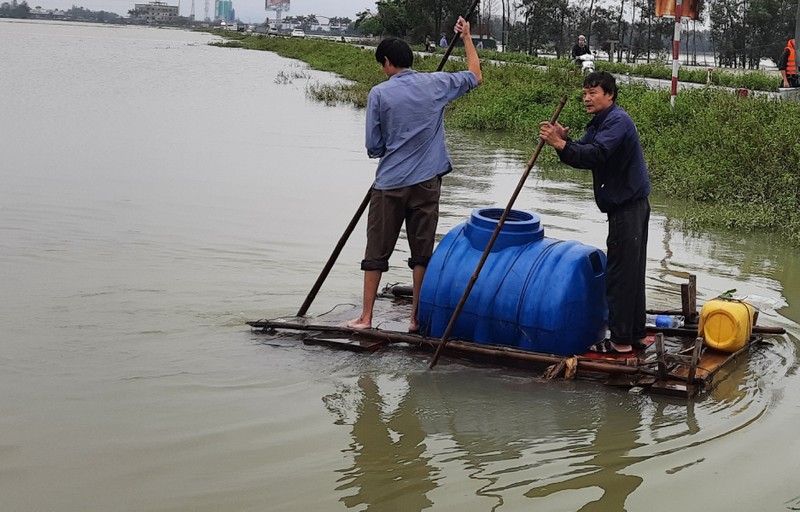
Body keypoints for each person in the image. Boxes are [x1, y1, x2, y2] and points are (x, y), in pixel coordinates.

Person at [347, 17, 483, 332]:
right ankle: (415, 318)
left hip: (390, 184)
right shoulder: (436, 83)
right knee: (422, 252)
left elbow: (374, 146)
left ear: (387, 62)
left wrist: (390, 146)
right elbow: (476, 76)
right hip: (427, 183)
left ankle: (365, 318)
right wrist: (466, 38)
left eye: (382, 65)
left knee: (377, 249)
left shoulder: (379, 94)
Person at [539, 71, 650, 354]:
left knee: (620, 273)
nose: (587, 99)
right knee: (630, 272)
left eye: (593, 93)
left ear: (609, 95)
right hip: (627, 207)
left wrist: (559, 144)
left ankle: (621, 342)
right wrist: (566, 141)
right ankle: (634, 333)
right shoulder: (602, 122)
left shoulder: (617, 121)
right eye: (585, 93)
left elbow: (597, 155)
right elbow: (585, 148)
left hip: (628, 207)